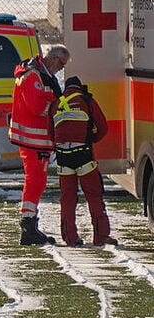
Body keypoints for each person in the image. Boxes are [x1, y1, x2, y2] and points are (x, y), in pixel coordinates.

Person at [9, 45, 67, 245]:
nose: (61, 69)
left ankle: (30, 225)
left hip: (37, 139)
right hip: (33, 139)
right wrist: (57, 104)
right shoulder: (32, 76)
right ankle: (28, 226)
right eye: (62, 64)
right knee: (35, 181)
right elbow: (36, 107)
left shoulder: (40, 75)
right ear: (53, 59)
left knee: (37, 181)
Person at [49, 76, 117, 246]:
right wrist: (91, 139)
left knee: (67, 198)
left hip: (63, 156)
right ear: (80, 87)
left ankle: (70, 238)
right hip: (83, 154)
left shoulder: (55, 104)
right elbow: (103, 127)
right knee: (93, 195)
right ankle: (100, 236)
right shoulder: (87, 100)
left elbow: (51, 134)